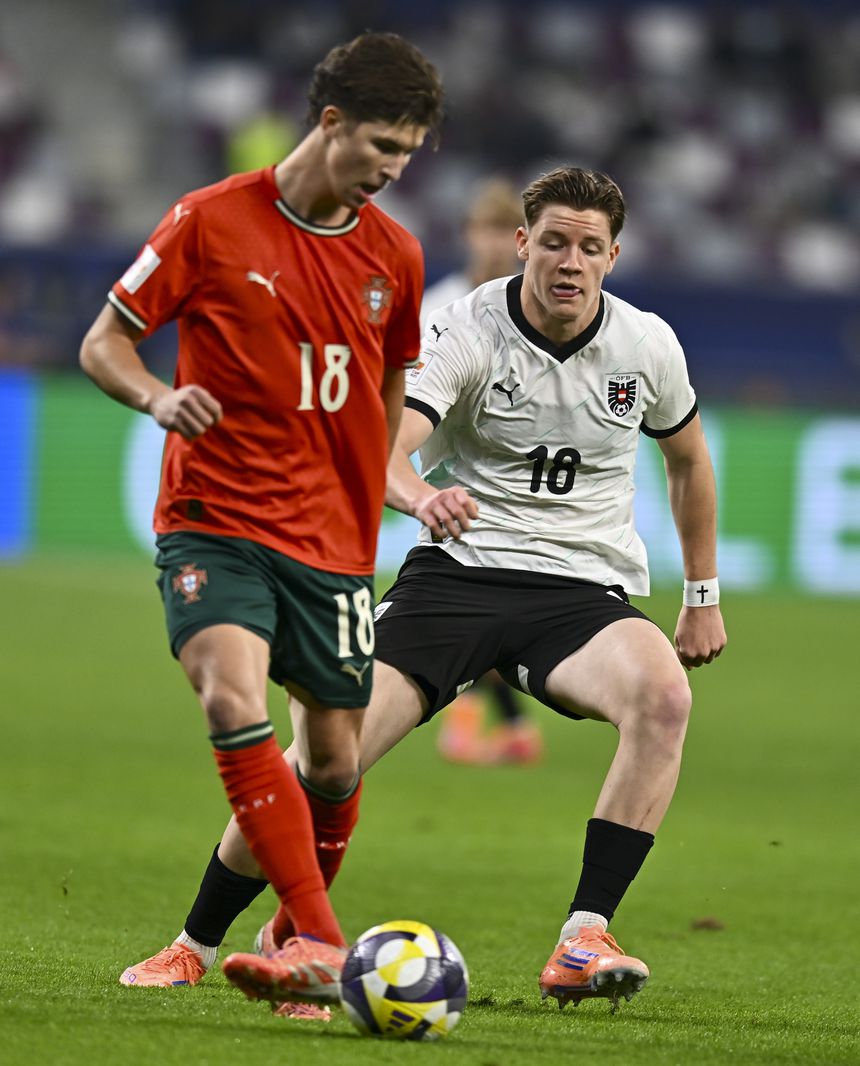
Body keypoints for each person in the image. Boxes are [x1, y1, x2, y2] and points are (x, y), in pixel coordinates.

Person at [118, 166, 727, 1016]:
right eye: (554, 241)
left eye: (590, 248)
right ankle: (194, 944)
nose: (570, 261)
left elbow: (689, 459)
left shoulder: (647, 345)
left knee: (663, 696)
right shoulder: (468, 327)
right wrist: (419, 494)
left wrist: (702, 592)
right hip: (459, 578)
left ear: (613, 257)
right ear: (522, 244)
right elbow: (387, 442)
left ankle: (585, 935)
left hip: (582, 593)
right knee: (329, 760)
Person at [79, 31, 444, 1014]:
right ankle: (323, 936)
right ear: (329, 123)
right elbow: (103, 340)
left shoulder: (393, 255)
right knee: (226, 694)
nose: (391, 170)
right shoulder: (210, 220)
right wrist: (157, 399)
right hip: (214, 517)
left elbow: (387, 382)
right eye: (379, 147)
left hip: (328, 544)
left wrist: (384, 491)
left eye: (406, 154)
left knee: (333, 756)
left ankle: (285, 942)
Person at [421, 176, 543, 766]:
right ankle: (507, 725)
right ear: (469, 234)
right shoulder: (437, 306)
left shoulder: (537, 307)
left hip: (513, 478)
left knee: (482, 600)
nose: (494, 243)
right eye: (485, 229)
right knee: (479, 599)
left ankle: (482, 722)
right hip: (444, 477)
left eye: (505, 230)